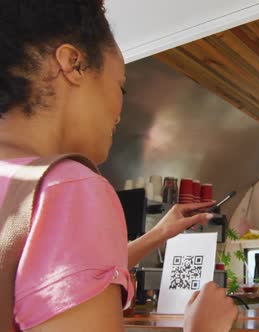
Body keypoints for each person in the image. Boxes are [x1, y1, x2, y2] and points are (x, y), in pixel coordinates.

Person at [0, 1, 237, 331]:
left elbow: (38, 274)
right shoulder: (68, 188)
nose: (120, 111)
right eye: (121, 84)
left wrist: (156, 235)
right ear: (73, 64)